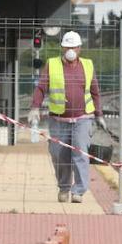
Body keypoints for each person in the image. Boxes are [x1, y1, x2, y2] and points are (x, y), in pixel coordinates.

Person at [28, 31, 106, 203]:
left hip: (82, 119)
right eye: (67, 47)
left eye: (74, 47)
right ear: (62, 48)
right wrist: (35, 107)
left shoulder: (87, 65)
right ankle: (64, 187)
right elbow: (41, 87)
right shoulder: (52, 64)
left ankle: (78, 190)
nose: (70, 50)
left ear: (79, 48)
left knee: (81, 153)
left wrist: (99, 114)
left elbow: (95, 91)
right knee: (58, 154)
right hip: (58, 120)